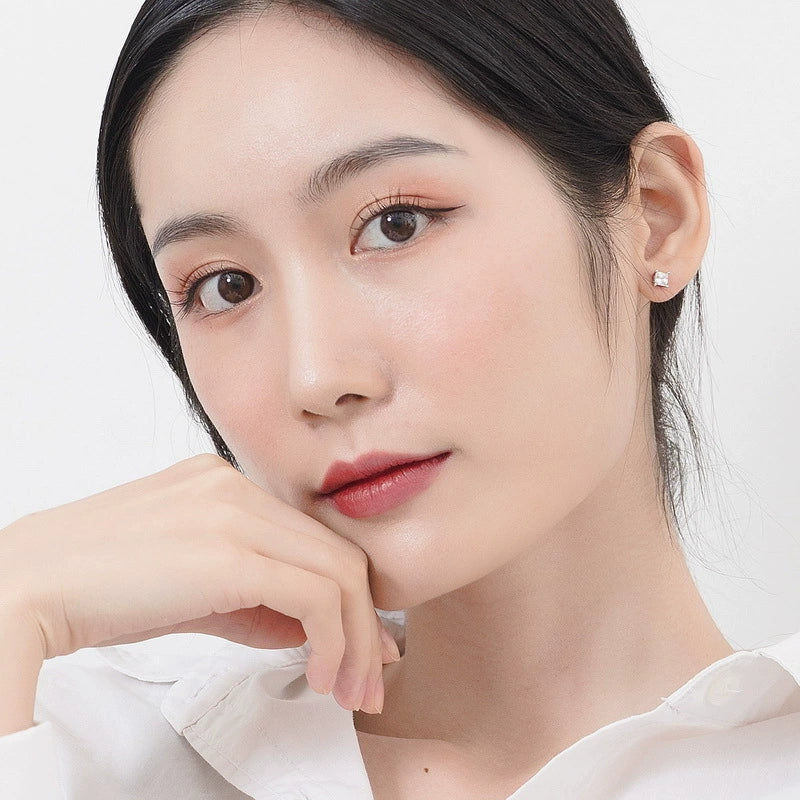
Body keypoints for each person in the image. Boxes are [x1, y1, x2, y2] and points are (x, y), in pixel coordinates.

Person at [1, 1, 799, 798]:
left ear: (655, 215)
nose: (316, 377)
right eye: (226, 286)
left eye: (397, 225)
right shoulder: (64, 743)